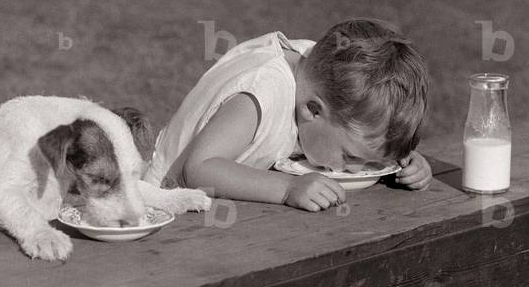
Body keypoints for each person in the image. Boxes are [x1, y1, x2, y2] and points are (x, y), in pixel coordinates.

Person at [144, 19, 432, 211]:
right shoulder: (261, 93)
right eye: (350, 157)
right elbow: (199, 169)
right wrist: (288, 189)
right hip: (165, 208)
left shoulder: (317, 74)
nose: (354, 171)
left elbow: (348, 132)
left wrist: (395, 163)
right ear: (312, 110)